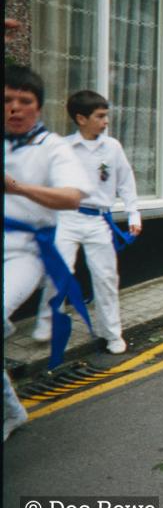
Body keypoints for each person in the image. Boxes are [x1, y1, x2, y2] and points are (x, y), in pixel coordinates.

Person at [5, 66, 92, 440]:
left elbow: (72, 196)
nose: (15, 108)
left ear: (38, 108)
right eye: (7, 100)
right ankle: (11, 411)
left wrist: (18, 188)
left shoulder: (53, 147)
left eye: (25, 101)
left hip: (26, 251)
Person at [32, 91, 141, 354]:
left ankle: (112, 333)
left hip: (98, 220)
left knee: (105, 277)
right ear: (81, 118)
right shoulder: (63, 147)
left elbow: (126, 181)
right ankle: (48, 325)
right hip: (67, 218)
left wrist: (133, 213)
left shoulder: (112, 147)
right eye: (100, 116)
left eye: (106, 116)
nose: (105, 122)